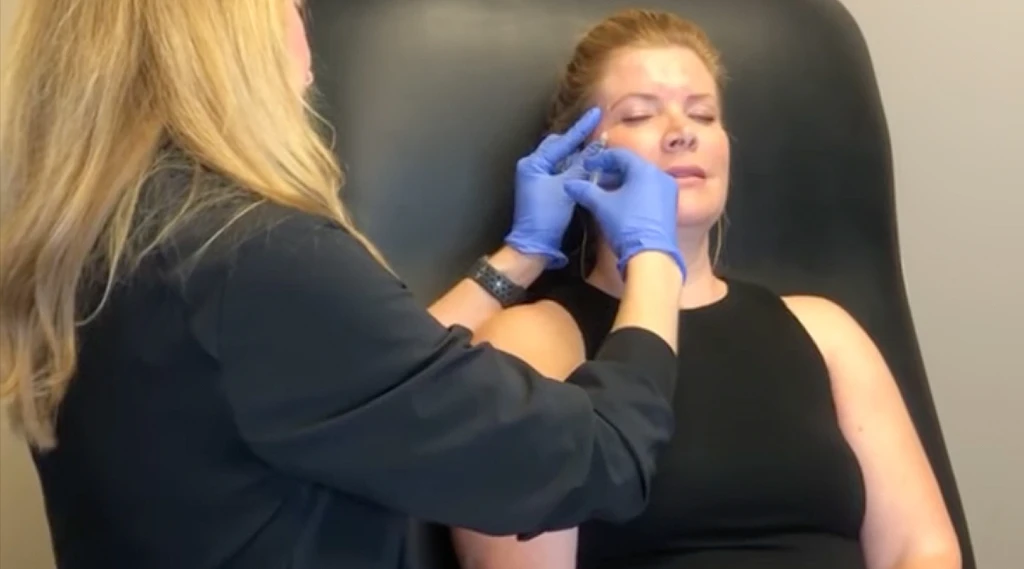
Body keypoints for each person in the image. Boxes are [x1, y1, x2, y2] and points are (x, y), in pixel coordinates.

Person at [0, 1, 692, 568]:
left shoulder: (108, 244)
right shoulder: (252, 256)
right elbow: (601, 456)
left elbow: (377, 387)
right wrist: (654, 256)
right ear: (232, 43)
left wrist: (517, 257)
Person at [451, 9, 962, 569]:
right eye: (641, 114)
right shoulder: (533, 342)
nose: (681, 131)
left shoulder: (823, 330)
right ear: (579, 159)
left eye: (703, 113)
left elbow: (924, 549)